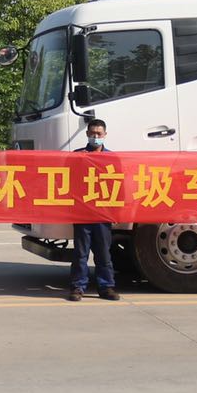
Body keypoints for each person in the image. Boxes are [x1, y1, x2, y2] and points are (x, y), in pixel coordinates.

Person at [68, 118, 120, 302]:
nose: (95, 136)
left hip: (102, 213)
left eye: (99, 133)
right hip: (82, 212)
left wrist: (116, 212)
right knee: (80, 254)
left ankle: (106, 287)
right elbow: (68, 181)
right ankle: (78, 287)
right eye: (92, 133)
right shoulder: (77, 156)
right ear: (87, 134)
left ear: (105, 135)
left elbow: (117, 186)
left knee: (103, 253)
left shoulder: (112, 158)